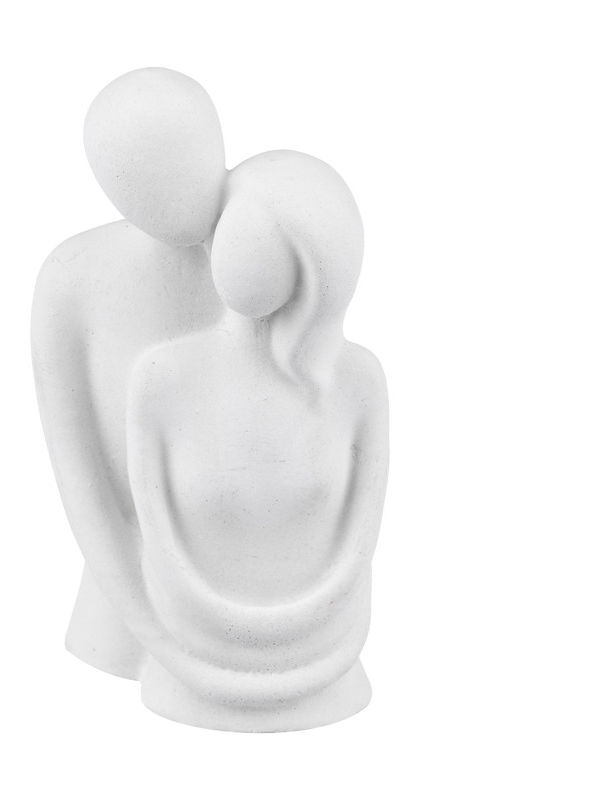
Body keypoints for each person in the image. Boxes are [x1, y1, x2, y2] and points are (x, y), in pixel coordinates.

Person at [126, 150, 389, 730]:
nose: (251, 252)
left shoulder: (358, 380)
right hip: (182, 668)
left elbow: (362, 535)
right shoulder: (162, 377)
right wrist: (192, 616)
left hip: (332, 669)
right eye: (241, 229)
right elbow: (152, 528)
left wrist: (314, 617)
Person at [31, 68, 226, 679]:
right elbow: (77, 467)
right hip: (123, 588)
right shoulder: (74, 276)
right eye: (143, 176)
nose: (180, 194)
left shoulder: (265, 251)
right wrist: (143, 617)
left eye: (190, 162)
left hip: (254, 568)